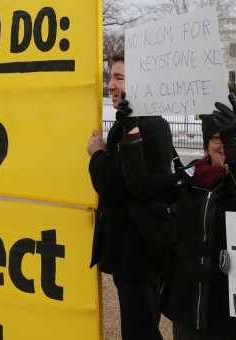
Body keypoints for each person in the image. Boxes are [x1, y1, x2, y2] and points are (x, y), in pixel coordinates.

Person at [116, 94, 236, 339]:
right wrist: (131, 133)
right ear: (206, 144)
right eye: (217, 138)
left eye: (233, 137)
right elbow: (141, 187)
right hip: (187, 307)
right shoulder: (191, 176)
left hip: (234, 313)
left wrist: (234, 145)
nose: (223, 144)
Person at [87, 53, 175, 340]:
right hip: (135, 248)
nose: (110, 85)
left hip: (138, 249)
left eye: (119, 78)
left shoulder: (147, 126)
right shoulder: (136, 122)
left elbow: (112, 185)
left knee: (140, 332)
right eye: (110, 77)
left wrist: (98, 153)